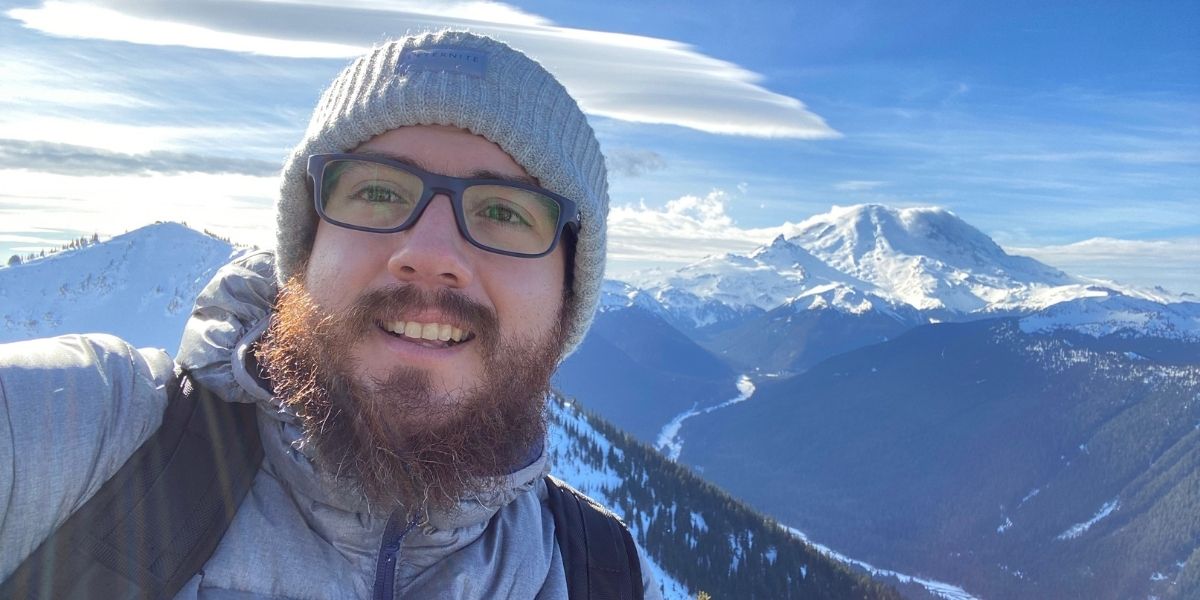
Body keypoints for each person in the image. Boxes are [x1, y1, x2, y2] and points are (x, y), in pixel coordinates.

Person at [0, 30, 661, 599]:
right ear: (306, 251)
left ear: (565, 296)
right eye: (378, 190)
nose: (430, 255)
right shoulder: (87, 442)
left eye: (505, 212)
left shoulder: (601, 571)